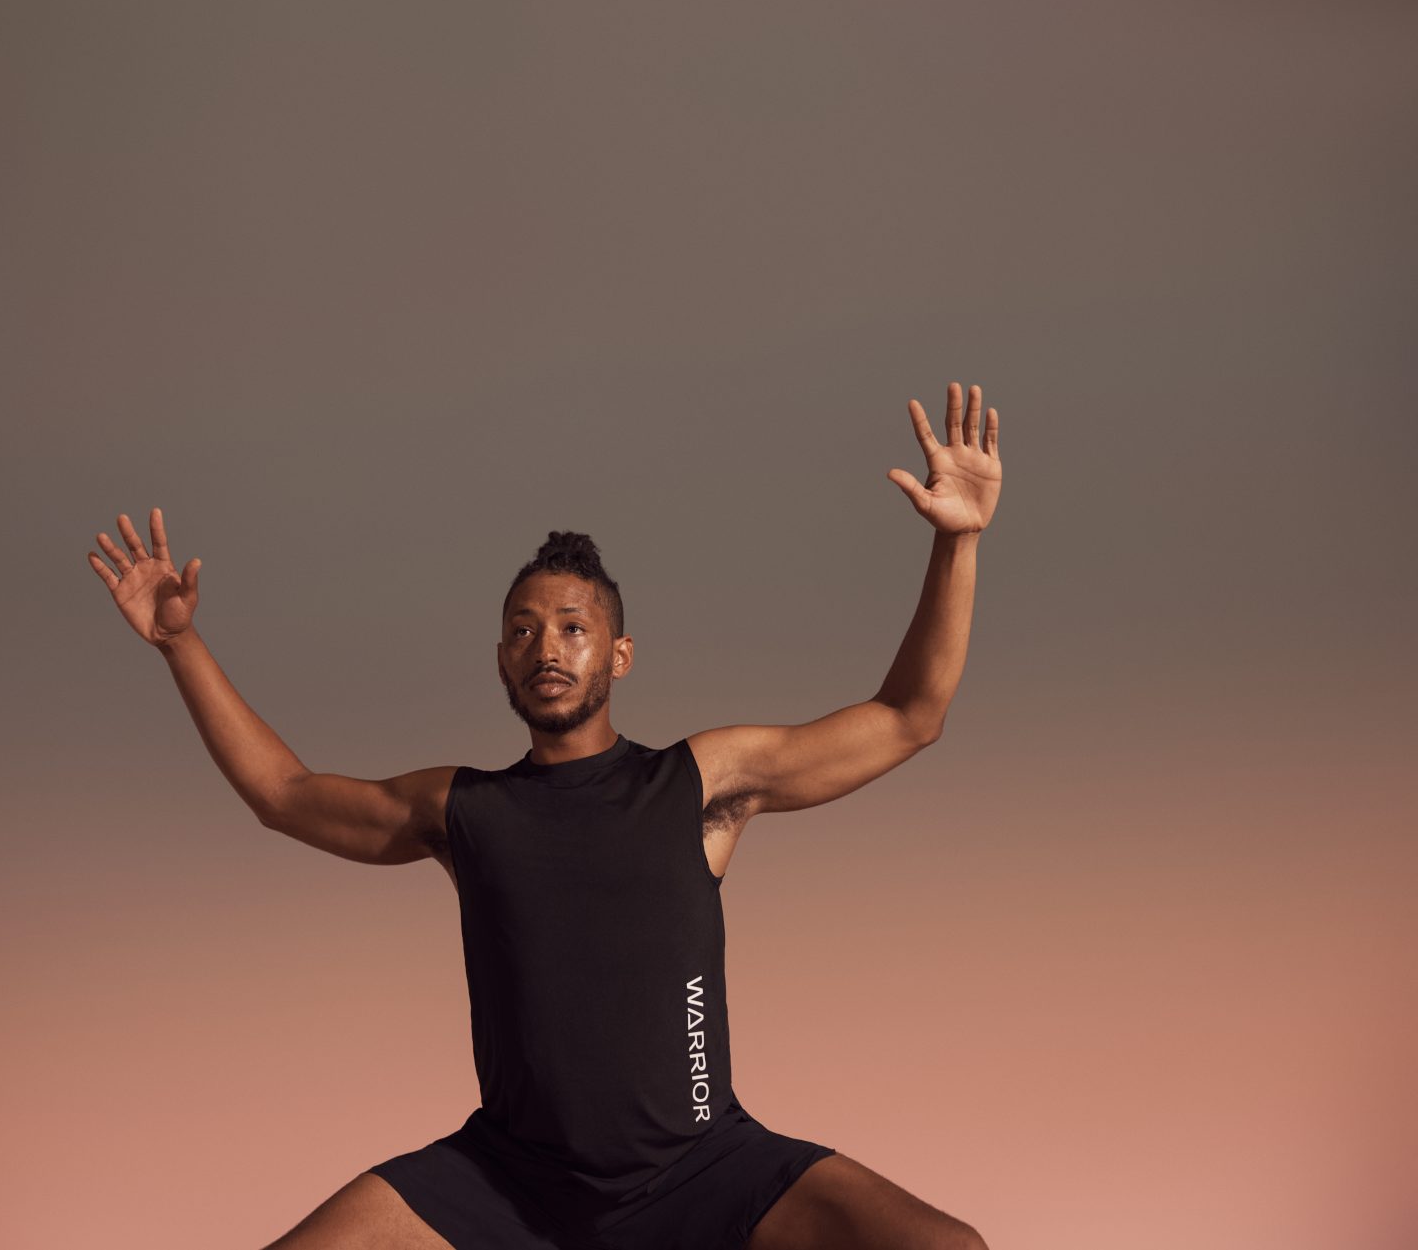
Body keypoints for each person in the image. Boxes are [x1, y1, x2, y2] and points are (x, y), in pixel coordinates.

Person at [86, 382, 1002, 1250]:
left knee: (948, 1247)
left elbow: (909, 716)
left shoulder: (699, 784)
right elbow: (282, 796)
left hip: (703, 1165)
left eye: (572, 625)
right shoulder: (461, 808)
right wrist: (181, 642)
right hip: (506, 1180)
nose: (547, 647)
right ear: (500, 661)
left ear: (620, 652)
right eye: (523, 631)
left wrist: (956, 543)